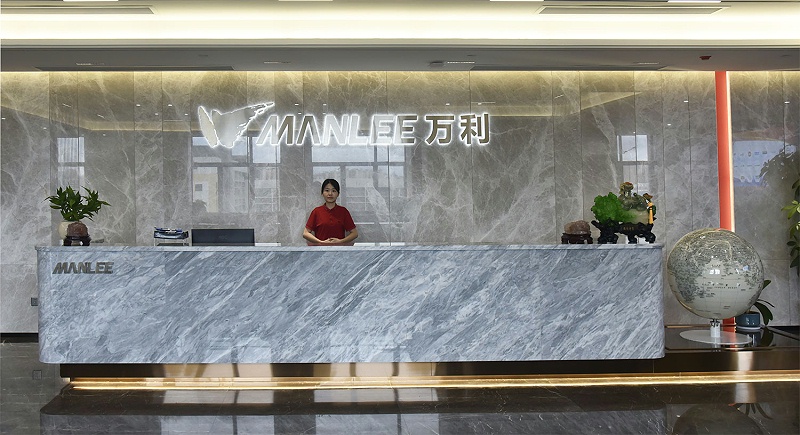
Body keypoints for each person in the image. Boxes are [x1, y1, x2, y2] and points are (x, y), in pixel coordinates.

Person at [303, 178, 358, 245]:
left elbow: (354, 233)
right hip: (320, 250)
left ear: (338, 194)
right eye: (327, 190)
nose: (330, 193)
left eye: (334, 191)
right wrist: (321, 242)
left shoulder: (343, 211)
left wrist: (341, 241)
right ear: (322, 193)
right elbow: (305, 233)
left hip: (339, 249)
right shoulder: (316, 211)